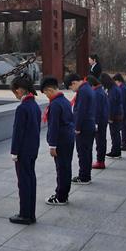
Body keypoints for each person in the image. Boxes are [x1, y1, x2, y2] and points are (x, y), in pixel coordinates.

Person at [9, 76, 40, 225]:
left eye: (15, 91)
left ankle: (25, 214)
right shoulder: (35, 105)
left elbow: (18, 132)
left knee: (23, 182)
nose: (15, 95)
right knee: (30, 180)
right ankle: (30, 213)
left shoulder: (22, 108)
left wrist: (14, 151)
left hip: (23, 150)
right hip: (33, 148)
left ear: (20, 90)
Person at [41, 76, 75, 206]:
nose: (46, 96)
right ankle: (63, 194)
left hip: (61, 140)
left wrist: (52, 145)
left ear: (49, 90)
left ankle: (61, 196)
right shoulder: (64, 100)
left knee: (61, 169)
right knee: (66, 167)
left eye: (46, 93)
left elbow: (54, 126)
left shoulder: (55, 104)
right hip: (69, 137)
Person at [65, 73, 96, 184]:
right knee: (87, 151)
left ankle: (83, 176)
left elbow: (81, 111)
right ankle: (86, 175)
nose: (72, 90)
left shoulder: (82, 91)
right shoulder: (88, 88)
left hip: (84, 127)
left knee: (83, 152)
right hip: (89, 124)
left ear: (73, 83)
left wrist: (77, 127)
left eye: (71, 87)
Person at [89, 75, 109, 170]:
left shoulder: (96, 93)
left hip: (99, 121)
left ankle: (100, 161)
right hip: (103, 119)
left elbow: (96, 110)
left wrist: (95, 123)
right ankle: (101, 160)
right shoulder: (100, 90)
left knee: (100, 141)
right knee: (101, 140)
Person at [104, 73, 124, 158]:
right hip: (118, 113)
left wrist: (110, 117)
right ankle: (116, 150)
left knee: (114, 134)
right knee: (116, 133)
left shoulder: (113, 90)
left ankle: (115, 151)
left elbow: (111, 104)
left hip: (115, 115)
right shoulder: (115, 88)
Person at [114, 73, 126, 151]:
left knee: (124, 128)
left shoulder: (122, 88)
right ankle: (125, 143)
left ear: (118, 81)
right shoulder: (124, 87)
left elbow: (122, 101)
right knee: (125, 128)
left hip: (125, 111)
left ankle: (125, 145)